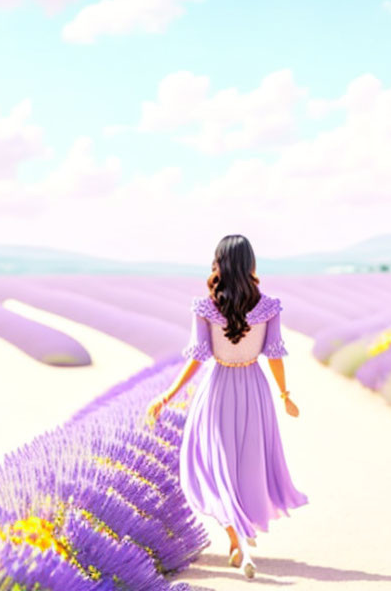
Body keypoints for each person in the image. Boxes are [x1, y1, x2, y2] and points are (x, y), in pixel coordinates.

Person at [145, 234, 308, 580]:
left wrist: (167, 395)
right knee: (249, 463)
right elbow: (274, 353)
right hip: (255, 390)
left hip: (218, 389)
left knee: (214, 465)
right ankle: (242, 536)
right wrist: (284, 394)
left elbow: (198, 359)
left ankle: (237, 540)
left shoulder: (205, 307)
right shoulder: (269, 306)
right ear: (250, 263)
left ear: (218, 263)